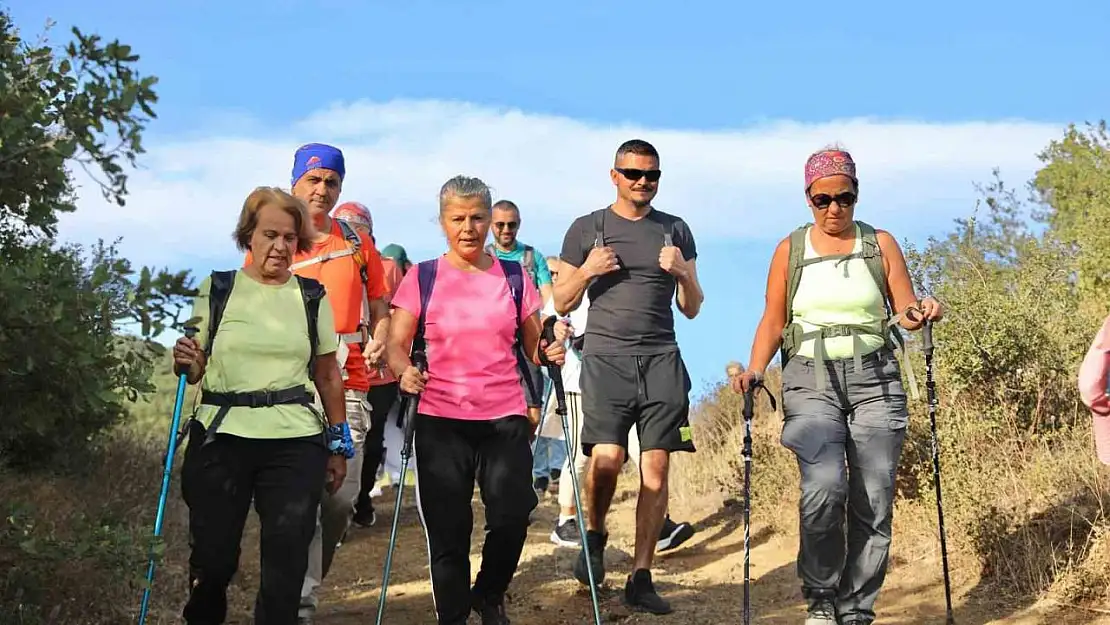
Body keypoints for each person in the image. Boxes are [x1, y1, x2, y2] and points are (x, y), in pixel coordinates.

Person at [736, 145, 944, 625]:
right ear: (808, 198)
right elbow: (773, 319)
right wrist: (755, 369)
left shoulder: (880, 244)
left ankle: (857, 607)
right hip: (810, 377)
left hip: (875, 374)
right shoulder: (791, 250)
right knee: (824, 485)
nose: (834, 208)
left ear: (856, 195)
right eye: (823, 199)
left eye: (844, 198)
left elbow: (905, 311)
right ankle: (822, 596)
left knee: (874, 494)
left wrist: (924, 312)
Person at [384, 175, 567, 625]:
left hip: (503, 415)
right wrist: (402, 371)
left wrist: (549, 350)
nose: (468, 227)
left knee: (512, 513)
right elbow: (396, 342)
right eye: (457, 218)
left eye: (477, 218)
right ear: (442, 221)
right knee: (449, 532)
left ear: (490, 221)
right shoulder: (422, 276)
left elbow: (532, 346)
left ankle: (489, 593)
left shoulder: (513, 275)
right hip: (439, 419)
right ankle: (452, 616)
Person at [172, 186, 354, 625]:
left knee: (287, 559)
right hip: (221, 435)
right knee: (214, 561)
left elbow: (328, 374)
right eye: (270, 234)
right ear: (248, 236)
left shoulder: (311, 296)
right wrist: (191, 363)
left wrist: (339, 442)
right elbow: (195, 370)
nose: (280, 246)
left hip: (295, 439)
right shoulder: (218, 288)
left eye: (290, 237)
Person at [555, 138, 704, 615]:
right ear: (614, 174)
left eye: (652, 175)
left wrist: (683, 273)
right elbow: (561, 302)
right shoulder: (587, 228)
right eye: (634, 173)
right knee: (607, 459)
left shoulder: (675, 229)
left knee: (656, 468)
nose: (643, 182)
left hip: (661, 358)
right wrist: (588, 271)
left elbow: (693, 308)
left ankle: (641, 575)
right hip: (606, 359)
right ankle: (594, 538)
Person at [244, 144, 391, 624]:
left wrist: (380, 339)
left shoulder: (354, 242)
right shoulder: (276, 239)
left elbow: (380, 306)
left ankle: (297, 591)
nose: (321, 189)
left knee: (339, 500)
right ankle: (297, 604)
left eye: (331, 181)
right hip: (284, 385)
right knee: (295, 501)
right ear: (294, 183)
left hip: (347, 382)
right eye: (313, 179)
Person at [543, 257, 696, 554]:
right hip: (580, 381)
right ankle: (567, 520)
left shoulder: (625, 287)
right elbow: (550, 317)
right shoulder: (577, 280)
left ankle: (659, 523)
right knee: (582, 454)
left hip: (628, 379)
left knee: (645, 451)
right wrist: (558, 331)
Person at [331, 201, 404, 529]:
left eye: (358, 228)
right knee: (338, 433)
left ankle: (359, 499)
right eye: (345, 227)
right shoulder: (329, 260)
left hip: (379, 370)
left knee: (371, 439)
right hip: (337, 364)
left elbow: (399, 312)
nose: (352, 234)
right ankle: (337, 504)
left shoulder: (387, 266)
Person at [486, 199, 555, 435]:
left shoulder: (533, 257)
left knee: (533, 412)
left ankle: (520, 452)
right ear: (490, 225)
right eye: (500, 225)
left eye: (512, 225)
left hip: (528, 340)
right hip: (493, 342)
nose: (506, 230)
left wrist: (548, 322)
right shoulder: (483, 256)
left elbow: (548, 296)